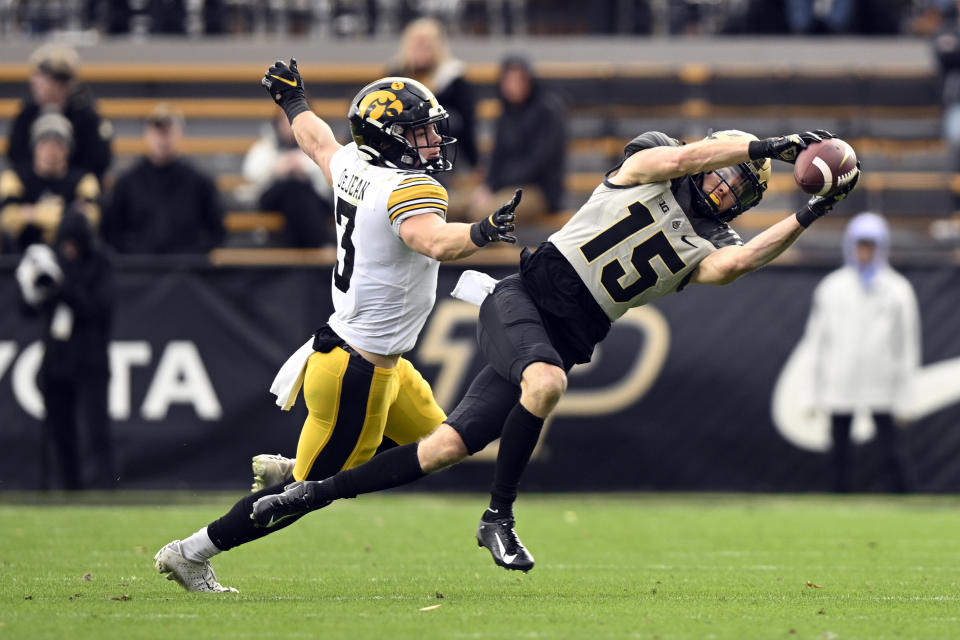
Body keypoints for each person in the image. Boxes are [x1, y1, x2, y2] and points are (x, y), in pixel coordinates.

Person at [250, 128, 861, 573]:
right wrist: (765, 147)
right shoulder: (649, 167)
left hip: (566, 337)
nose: (723, 189)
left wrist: (810, 211)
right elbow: (685, 155)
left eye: (736, 190)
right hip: (523, 298)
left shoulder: (713, 243)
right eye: (721, 176)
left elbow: (741, 261)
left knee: (443, 449)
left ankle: (312, 490)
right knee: (545, 385)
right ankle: (499, 519)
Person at [152, 59, 521, 593]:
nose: (432, 142)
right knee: (306, 494)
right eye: (418, 132)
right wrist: (485, 230)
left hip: (376, 363)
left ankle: (300, 464)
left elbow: (316, 140)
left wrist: (292, 100)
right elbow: (435, 242)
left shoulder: (355, 164)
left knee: (443, 443)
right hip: (355, 370)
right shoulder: (407, 189)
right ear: (387, 138)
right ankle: (191, 552)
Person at [804, 212, 920, 493]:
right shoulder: (831, 287)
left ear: (881, 247)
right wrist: (811, 394)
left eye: (870, 245)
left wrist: (906, 398)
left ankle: (902, 498)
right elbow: (816, 342)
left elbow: (907, 346)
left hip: (882, 382)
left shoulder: (898, 290)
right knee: (839, 450)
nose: (864, 251)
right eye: (860, 244)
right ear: (850, 246)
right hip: (841, 380)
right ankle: (839, 499)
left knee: (892, 450)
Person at [16, 211, 116, 490]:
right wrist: (31, 286)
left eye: (74, 243)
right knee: (60, 430)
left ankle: (108, 488)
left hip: (90, 358)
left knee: (96, 429)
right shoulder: (53, 260)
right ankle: (69, 489)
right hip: (57, 360)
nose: (69, 249)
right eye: (66, 243)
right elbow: (28, 310)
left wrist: (62, 288)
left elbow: (97, 309)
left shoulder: (101, 263)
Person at [102, 104, 225, 254]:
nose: (162, 139)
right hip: (139, 271)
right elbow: (111, 230)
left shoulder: (200, 182)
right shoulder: (127, 182)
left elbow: (217, 230)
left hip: (186, 272)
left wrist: (193, 256)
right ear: (146, 135)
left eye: (168, 132)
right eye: (157, 132)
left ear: (181, 135)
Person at [470, 54, 566, 221]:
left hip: (539, 190)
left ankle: (502, 248)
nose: (513, 86)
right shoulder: (505, 113)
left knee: (486, 217)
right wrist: (488, 187)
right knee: (451, 206)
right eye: (508, 80)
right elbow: (497, 156)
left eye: (518, 80)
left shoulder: (548, 111)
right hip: (504, 188)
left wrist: (498, 186)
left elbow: (540, 162)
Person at [6, 44, 113, 182]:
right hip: (31, 194)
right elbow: (15, 154)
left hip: (77, 191)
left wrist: (69, 185)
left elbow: (99, 160)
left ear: (59, 82)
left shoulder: (87, 117)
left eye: (41, 77)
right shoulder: (27, 114)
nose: (34, 82)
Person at [0, 112, 101, 253]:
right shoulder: (14, 177)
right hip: (22, 255)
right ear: (35, 147)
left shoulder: (83, 179)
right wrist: (66, 213)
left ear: (68, 149)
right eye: (45, 143)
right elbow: (7, 218)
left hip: (69, 259)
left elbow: (91, 218)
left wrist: (31, 213)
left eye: (58, 145)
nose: (51, 150)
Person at [392, 17, 478, 172]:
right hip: (397, 154)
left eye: (426, 45)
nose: (419, 49)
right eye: (415, 44)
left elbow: (466, 127)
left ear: (437, 47)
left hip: (442, 154)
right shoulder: (394, 79)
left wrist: (474, 164)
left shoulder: (453, 80)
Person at [241, 108, 335, 247]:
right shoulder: (266, 146)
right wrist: (278, 167)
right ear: (277, 123)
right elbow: (251, 173)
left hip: (310, 199)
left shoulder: (322, 147)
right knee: (292, 189)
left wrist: (304, 168)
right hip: (274, 200)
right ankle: (317, 246)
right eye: (285, 121)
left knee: (298, 191)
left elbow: (331, 178)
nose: (290, 126)